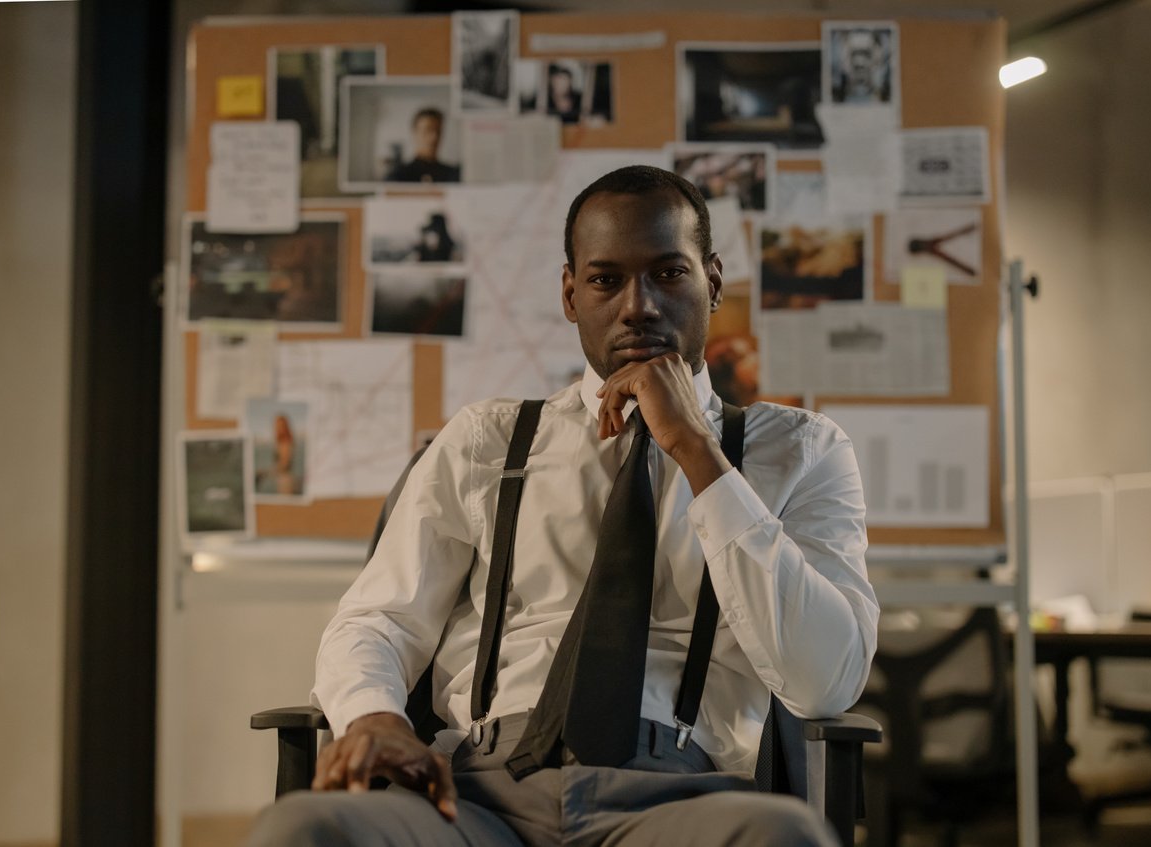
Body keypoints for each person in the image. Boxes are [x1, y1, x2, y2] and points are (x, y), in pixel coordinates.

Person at [248, 165, 877, 847]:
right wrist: (373, 716)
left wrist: (700, 455)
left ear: (714, 282)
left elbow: (827, 680)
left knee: (783, 837)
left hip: (678, 799)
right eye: (606, 279)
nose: (638, 305)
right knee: (306, 827)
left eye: (668, 273)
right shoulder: (488, 439)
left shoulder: (802, 451)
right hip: (475, 795)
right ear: (571, 294)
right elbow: (378, 620)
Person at [385, 108, 460, 183]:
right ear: (414, 132)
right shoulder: (398, 176)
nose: (434, 137)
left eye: (438, 131)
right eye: (428, 130)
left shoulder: (453, 175)